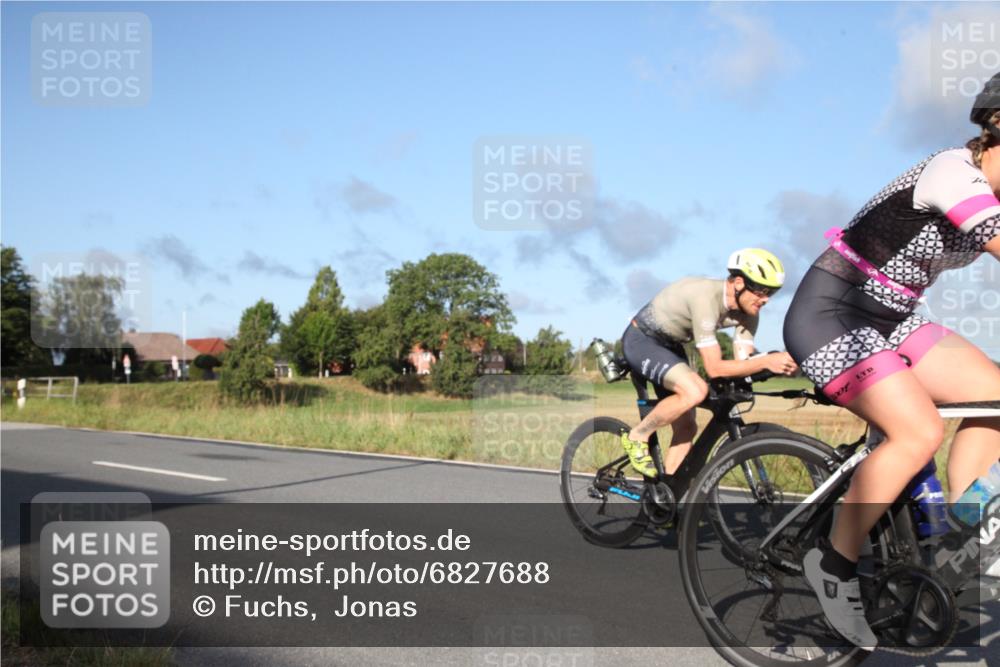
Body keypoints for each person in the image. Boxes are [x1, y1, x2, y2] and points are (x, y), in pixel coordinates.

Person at [784, 72, 1000, 650]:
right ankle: (833, 564)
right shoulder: (954, 172)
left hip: (896, 317)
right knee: (919, 431)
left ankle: (971, 520)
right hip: (833, 313)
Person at [620, 248, 798, 478]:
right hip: (643, 340)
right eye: (761, 291)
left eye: (771, 293)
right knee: (695, 391)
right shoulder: (705, 298)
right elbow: (714, 368)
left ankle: (669, 495)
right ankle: (637, 436)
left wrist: (772, 364)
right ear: (739, 282)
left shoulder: (750, 313)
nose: (765, 300)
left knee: (687, 427)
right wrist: (766, 361)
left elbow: (743, 362)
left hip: (672, 346)